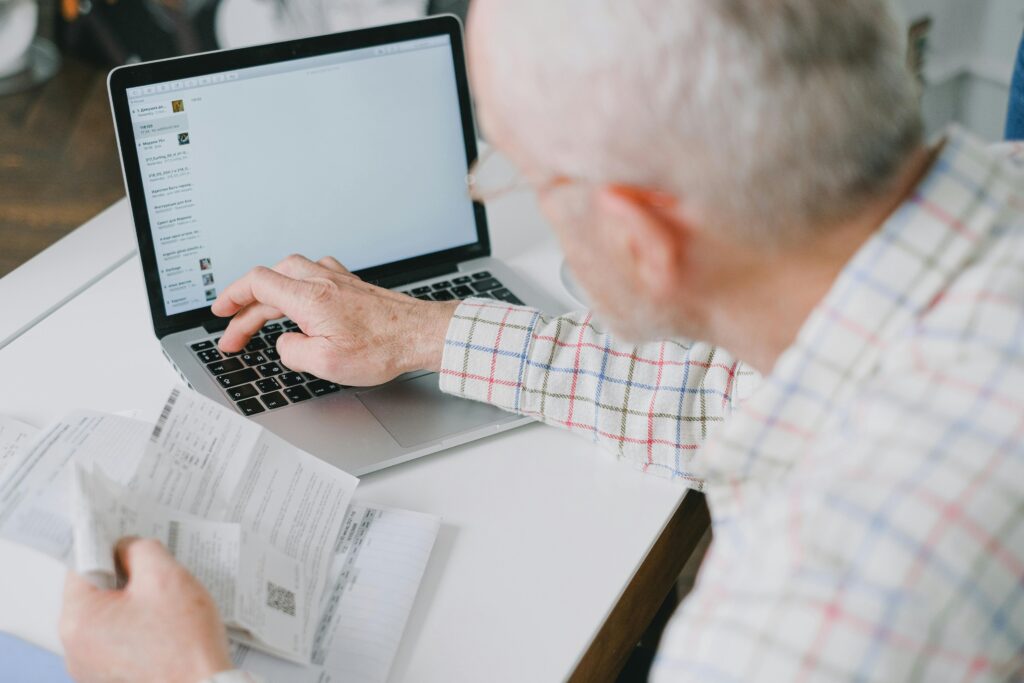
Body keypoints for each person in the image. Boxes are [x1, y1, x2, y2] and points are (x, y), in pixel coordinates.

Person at [61, 1, 1024, 681]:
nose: (507, 194)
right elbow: (740, 392)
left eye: (521, 176)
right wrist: (423, 329)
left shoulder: (807, 612)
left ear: (644, 238)